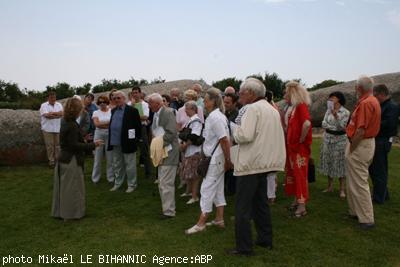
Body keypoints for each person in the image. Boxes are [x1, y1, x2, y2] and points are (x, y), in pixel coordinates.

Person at [227, 78, 286, 256]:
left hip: (251, 164)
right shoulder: (271, 108)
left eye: (241, 92)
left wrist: (233, 128)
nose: (239, 96)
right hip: (265, 162)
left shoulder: (252, 109)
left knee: (242, 207)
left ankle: (244, 248)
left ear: (251, 94)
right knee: (261, 204)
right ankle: (265, 239)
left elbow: (244, 135)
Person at [185, 88, 232, 234]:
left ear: (213, 101)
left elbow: (224, 139)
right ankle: (219, 219)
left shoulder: (215, 117)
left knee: (206, 189)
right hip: (216, 158)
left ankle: (201, 223)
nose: (204, 103)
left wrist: (228, 160)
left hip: (216, 159)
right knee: (217, 189)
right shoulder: (217, 116)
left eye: (205, 100)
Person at [51, 97, 103, 220]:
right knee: (72, 188)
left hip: (64, 157)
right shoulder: (72, 124)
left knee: (64, 187)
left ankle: (60, 212)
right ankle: (71, 214)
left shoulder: (64, 121)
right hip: (71, 159)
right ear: (76, 110)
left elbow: (70, 141)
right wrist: (93, 144)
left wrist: (83, 138)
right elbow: (74, 145)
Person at [345, 75, 381, 230]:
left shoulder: (367, 103)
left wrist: (352, 147)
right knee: (353, 180)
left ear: (359, 88)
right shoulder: (372, 101)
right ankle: (355, 212)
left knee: (359, 182)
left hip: (360, 144)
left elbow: (361, 130)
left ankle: (366, 218)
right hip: (363, 144)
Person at [148, 93, 180, 219]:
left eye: (150, 102)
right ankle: (167, 209)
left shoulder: (167, 112)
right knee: (162, 182)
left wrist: (157, 144)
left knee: (166, 183)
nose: (149, 105)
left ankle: (169, 212)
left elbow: (171, 132)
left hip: (169, 152)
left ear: (158, 103)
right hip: (162, 151)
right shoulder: (157, 114)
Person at [283, 81, 312, 217]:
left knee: (300, 175)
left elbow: (306, 124)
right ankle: (296, 200)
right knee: (294, 174)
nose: (284, 94)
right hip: (292, 147)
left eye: (286, 92)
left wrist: (301, 140)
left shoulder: (301, 106)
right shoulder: (294, 107)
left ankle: (302, 206)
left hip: (298, 148)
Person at [369, 84, 399, 204]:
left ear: (381, 94)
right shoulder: (382, 105)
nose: (374, 98)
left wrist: (372, 123)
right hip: (377, 139)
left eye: (375, 95)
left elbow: (390, 125)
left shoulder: (392, 107)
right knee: (374, 168)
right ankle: (383, 193)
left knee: (379, 169)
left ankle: (378, 197)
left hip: (382, 140)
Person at [108, 91, 142, 193]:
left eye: (118, 98)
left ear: (124, 98)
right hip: (115, 142)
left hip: (128, 142)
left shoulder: (132, 110)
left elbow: (137, 127)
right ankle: (118, 183)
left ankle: (132, 184)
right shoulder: (113, 111)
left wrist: (134, 139)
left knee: (130, 164)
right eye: (114, 98)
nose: (116, 100)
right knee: (117, 164)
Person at [319, 91, 350, 198]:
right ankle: (330, 186)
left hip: (340, 140)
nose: (331, 99)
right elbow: (323, 123)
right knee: (329, 161)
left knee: (340, 163)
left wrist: (336, 116)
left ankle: (342, 189)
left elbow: (342, 127)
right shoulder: (328, 110)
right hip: (328, 138)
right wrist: (331, 127)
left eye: (333, 97)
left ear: (339, 99)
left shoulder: (345, 112)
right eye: (330, 97)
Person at [179, 101, 203, 204]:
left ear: (193, 109)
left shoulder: (196, 121)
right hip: (189, 151)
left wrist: (184, 145)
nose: (185, 111)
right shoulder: (191, 120)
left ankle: (194, 196)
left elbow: (194, 136)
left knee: (194, 175)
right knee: (188, 173)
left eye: (187, 109)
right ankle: (188, 191)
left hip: (194, 151)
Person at [130, 86, 152, 178]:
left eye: (136, 92)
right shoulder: (129, 104)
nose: (135, 94)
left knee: (144, 150)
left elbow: (145, 117)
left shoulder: (144, 104)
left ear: (140, 93)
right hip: (131, 128)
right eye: (133, 93)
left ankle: (148, 172)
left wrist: (134, 115)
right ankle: (131, 172)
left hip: (141, 128)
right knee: (131, 150)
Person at [91, 95, 114, 184]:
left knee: (110, 157)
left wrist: (102, 123)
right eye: (100, 102)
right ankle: (95, 178)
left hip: (109, 134)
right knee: (97, 157)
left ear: (107, 102)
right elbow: (96, 124)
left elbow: (113, 123)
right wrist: (107, 123)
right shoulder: (96, 112)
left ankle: (111, 178)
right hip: (99, 134)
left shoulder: (111, 111)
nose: (102, 104)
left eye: (104, 102)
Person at [40, 91, 63, 168]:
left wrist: (52, 113)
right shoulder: (44, 105)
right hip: (47, 129)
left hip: (57, 128)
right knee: (50, 146)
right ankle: (51, 161)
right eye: (51, 97)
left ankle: (57, 160)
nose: (53, 99)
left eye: (54, 97)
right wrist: (57, 114)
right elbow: (47, 116)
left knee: (57, 146)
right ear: (48, 98)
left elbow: (62, 114)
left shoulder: (59, 104)